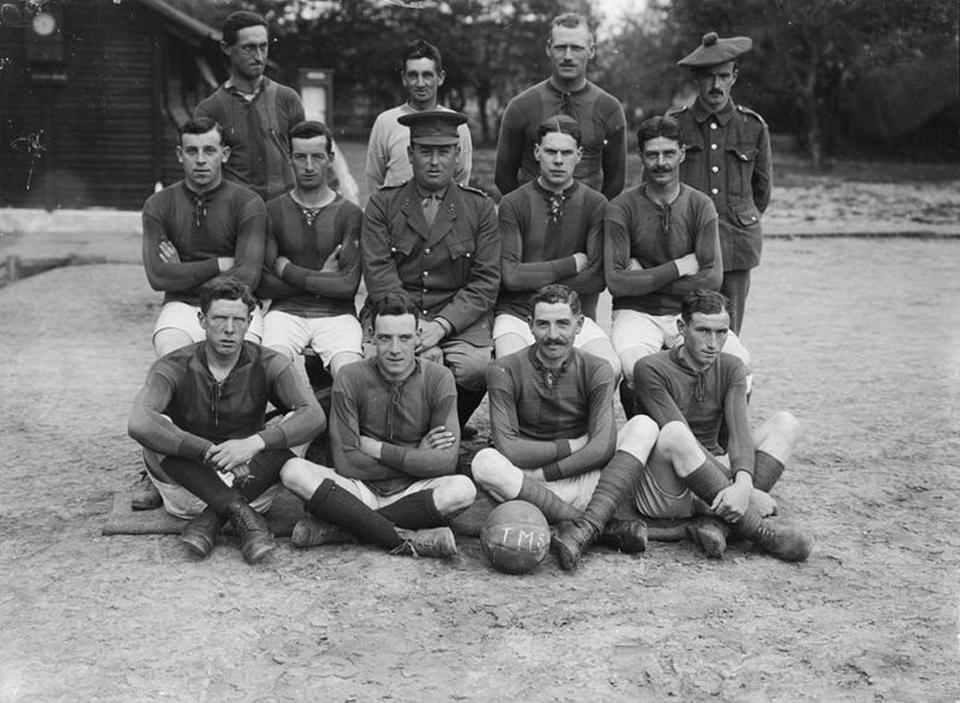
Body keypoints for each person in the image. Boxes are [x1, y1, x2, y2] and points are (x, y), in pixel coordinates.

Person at [127, 277, 325, 564]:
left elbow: (314, 416)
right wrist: (208, 452)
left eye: (238, 320)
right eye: (219, 319)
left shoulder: (269, 362)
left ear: (249, 322)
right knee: (156, 425)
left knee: (301, 419)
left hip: (250, 481)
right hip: (187, 491)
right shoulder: (172, 366)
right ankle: (242, 516)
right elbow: (139, 423)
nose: (229, 329)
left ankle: (212, 520)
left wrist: (253, 444)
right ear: (201, 320)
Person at [472, 284, 659, 571]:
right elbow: (509, 448)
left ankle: (579, 526)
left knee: (643, 426)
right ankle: (599, 526)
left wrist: (549, 470)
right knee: (485, 461)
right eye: (543, 324)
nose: (553, 335)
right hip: (528, 481)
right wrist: (573, 445)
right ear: (529, 326)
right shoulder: (504, 368)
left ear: (579, 325)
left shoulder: (597, 367)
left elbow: (603, 447)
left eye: (563, 324)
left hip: (581, 478)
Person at [280, 293, 476, 559]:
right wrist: (418, 456)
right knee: (293, 470)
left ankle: (342, 529)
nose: (395, 349)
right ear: (372, 335)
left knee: (463, 490)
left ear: (418, 335)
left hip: (412, 490)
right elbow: (346, 462)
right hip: (358, 488)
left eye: (405, 338)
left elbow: (444, 463)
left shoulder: (439, 378)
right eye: (385, 338)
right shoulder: (350, 375)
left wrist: (380, 450)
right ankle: (404, 536)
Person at [136, 117, 267, 509]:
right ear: (180, 154)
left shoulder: (247, 202)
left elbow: (247, 275)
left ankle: (243, 456)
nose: (200, 159)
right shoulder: (159, 205)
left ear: (224, 154)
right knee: (172, 354)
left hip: (235, 306)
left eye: (209, 150)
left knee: (251, 356)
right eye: (191, 151)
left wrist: (188, 268)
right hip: (181, 306)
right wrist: (218, 264)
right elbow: (158, 275)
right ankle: (167, 462)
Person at [633, 289, 811, 561]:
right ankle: (760, 532)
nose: (713, 343)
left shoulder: (731, 366)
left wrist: (743, 483)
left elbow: (738, 436)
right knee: (675, 433)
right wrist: (747, 492)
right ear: (682, 327)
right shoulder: (650, 368)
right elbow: (679, 437)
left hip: (713, 471)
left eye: (722, 332)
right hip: (668, 480)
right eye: (703, 331)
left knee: (786, 423)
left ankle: (717, 521)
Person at [362, 109, 500, 431]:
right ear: (410, 155)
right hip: (394, 310)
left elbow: (485, 281)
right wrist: (412, 328)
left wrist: (440, 327)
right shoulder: (383, 205)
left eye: (443, 152)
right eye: (425, 151)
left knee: (477, 368)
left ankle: (448, 423)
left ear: (457, 155)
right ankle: (395, 429)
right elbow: (379, 273)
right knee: (369, 360)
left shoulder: (479, 208)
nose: (434, 161)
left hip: (456, 319)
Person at [604, 115, 750, 417]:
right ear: (641, 156)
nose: (661, 162)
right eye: (652, 154)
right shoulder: (622, 207)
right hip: (637, 312)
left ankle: (718, 440)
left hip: (688, 310)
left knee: (740, 364)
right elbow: (616, 283)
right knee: (635, 368)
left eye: (669, 153)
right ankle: (652, 440)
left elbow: (712, 278)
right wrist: (679, 267)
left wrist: (643, 275)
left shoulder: (699, 204)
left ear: (682, 153)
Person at [495, 115, 619, 377]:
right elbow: (511, 277)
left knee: (609, 366)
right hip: (518, 313)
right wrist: (571, 263)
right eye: (551, 151)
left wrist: (532, 274)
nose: (559, 160)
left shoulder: (596, 204)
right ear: (537, 152)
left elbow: (595, 280)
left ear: (580, 154)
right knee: (509, 368)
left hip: (572, 317)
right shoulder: (513, 203)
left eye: (567, 152)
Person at [669, 32, 772, 335]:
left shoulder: (752, 126)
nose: (716, 85)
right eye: (708, 77)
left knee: (728, 332)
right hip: (687, 247)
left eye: (723, 76)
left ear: (734, 77)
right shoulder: (675, 126)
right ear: (696, 79)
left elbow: (762, 191)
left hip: (737, 244)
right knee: (686, 330)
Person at [257, 120, 364, 379]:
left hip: (337, 314)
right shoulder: (273, 210)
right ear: (289, 159)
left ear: (330, 158)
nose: (308, 166)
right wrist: (323, 277)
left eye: (317, 157)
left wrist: (286, 269)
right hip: (285, 313)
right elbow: (264, 284)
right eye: (300, 157)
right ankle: (301, 413)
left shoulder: (350, 214)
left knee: (350, 376)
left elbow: (347, 285)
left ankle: (330, 417)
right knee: (269, 370)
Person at [495, 12, 626, 201]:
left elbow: (615, 181)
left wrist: (594, 217)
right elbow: (504, 177)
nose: (567, 56)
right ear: (549, 49)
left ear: (591, 50)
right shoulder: (521, 106)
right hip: (532, 222)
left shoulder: (609, 108)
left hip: (588, 222)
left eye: (577, 48)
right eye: (561, 47)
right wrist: (527, 212)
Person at [195, 10, 305, 202]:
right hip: (236, 215)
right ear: (226, 48)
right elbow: (204, 172)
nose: (259, 56)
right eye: (248, 48)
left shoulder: (287, 99)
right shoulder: (209, 110)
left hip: (284, 214)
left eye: (263, 47)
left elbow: (305, 158)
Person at [365, 39, 473, 198]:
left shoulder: (456, 124)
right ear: (404, 78)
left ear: (440, 78)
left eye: (427, 75)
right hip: (394, 217)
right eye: (413, 75)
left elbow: (461, 179)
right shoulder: (386, 122)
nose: (420, 83)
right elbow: (374, 179)